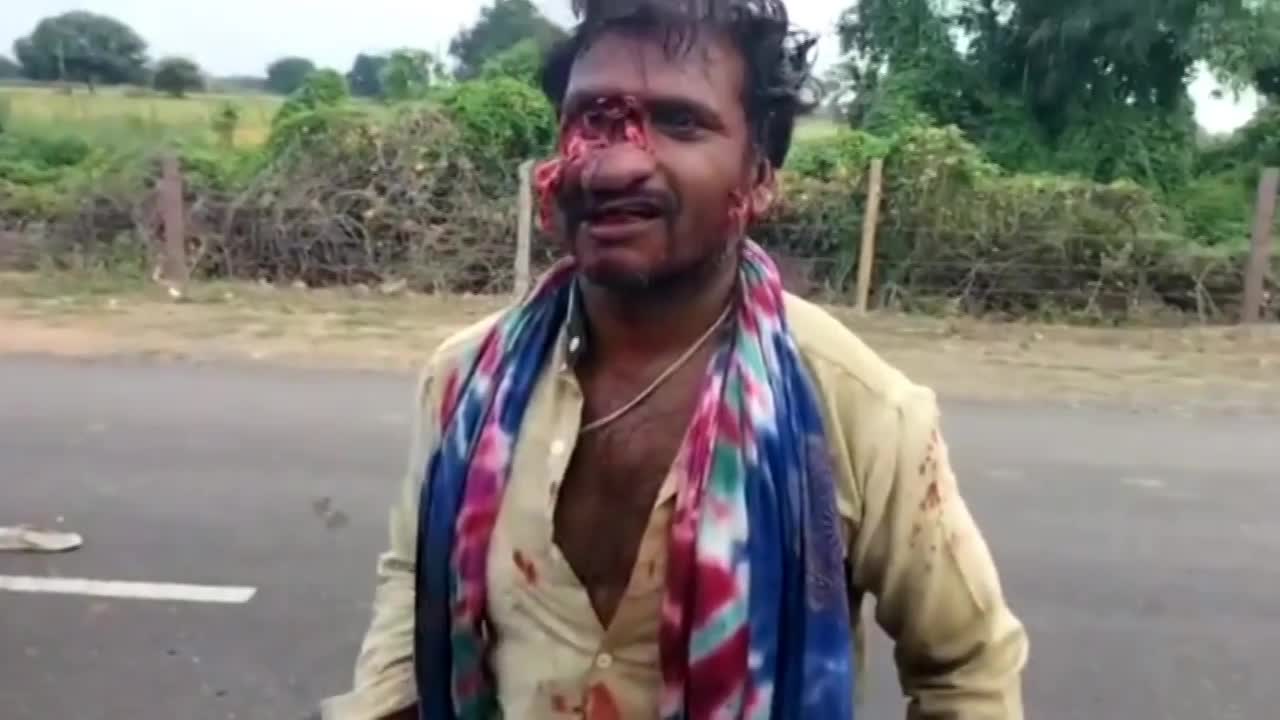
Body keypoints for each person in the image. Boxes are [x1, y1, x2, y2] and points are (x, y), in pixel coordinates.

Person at [322, 1, 1028, 718]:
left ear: (759, 177)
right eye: (592, 118)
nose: (617, 162)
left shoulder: (858, 411)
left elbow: (967, 667)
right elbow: (412, 588)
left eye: (680, 122)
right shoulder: (465, 384)